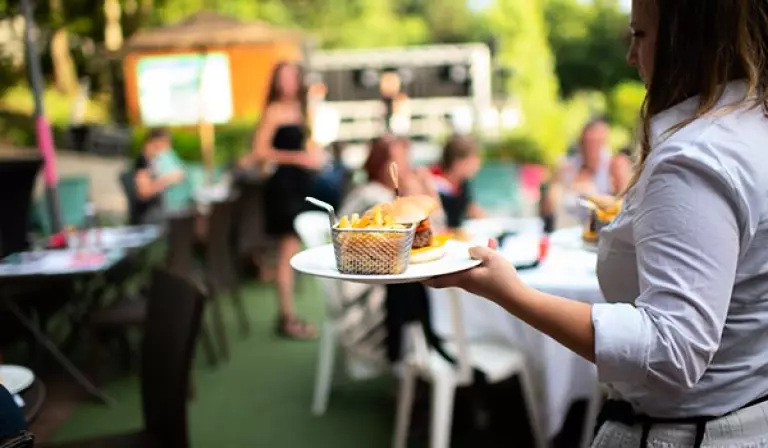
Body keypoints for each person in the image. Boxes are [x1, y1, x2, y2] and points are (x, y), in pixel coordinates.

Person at [428, 1, 768, 447]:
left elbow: (671, 349)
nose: (630, 56)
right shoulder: (752, 128)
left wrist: (509, 292)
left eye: (640, 36)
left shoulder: (694, 158)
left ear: (687, 41)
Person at [240, 62, 325, 340]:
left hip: (300, 186)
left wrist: (311, 157)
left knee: (292, 251)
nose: (286, 83)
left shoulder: (301, 110)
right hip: (282, 188)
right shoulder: (274, 111)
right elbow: (260, 151)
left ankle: (287, 315)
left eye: (291, 77)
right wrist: (297, 158)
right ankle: (287, 316)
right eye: (282, 78)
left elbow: (307, 146)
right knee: (287, 254)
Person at [341, 135, 445, 363]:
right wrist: (424, 193)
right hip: (370, 299)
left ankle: (429, 355)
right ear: (380, 164)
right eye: (400, 161)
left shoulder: (382, 195)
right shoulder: (374, 199)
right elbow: (435, 231)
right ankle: (422, 357)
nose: (407, 167)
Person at [540, 119, 613, 227]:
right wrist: (556, 184)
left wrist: (593, 195)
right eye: (587, 142)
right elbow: (548, 208)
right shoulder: (567, 167)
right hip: (567, 230)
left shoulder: (613, 167)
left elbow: (622, 206)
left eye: (596, 142)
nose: (591, 147)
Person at [432, 134, 485, 231]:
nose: (478, 166)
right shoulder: (433, 183)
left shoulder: (463, 182)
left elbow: (472, 209)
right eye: (472, 162)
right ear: (457, 163)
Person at [132, 128, 185, 224]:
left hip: (162, 212)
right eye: (165, 145)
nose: (167, 149)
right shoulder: (142, 163)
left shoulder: (156, 161)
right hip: (149, 216)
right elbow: (144, 192)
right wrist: (169, 179)